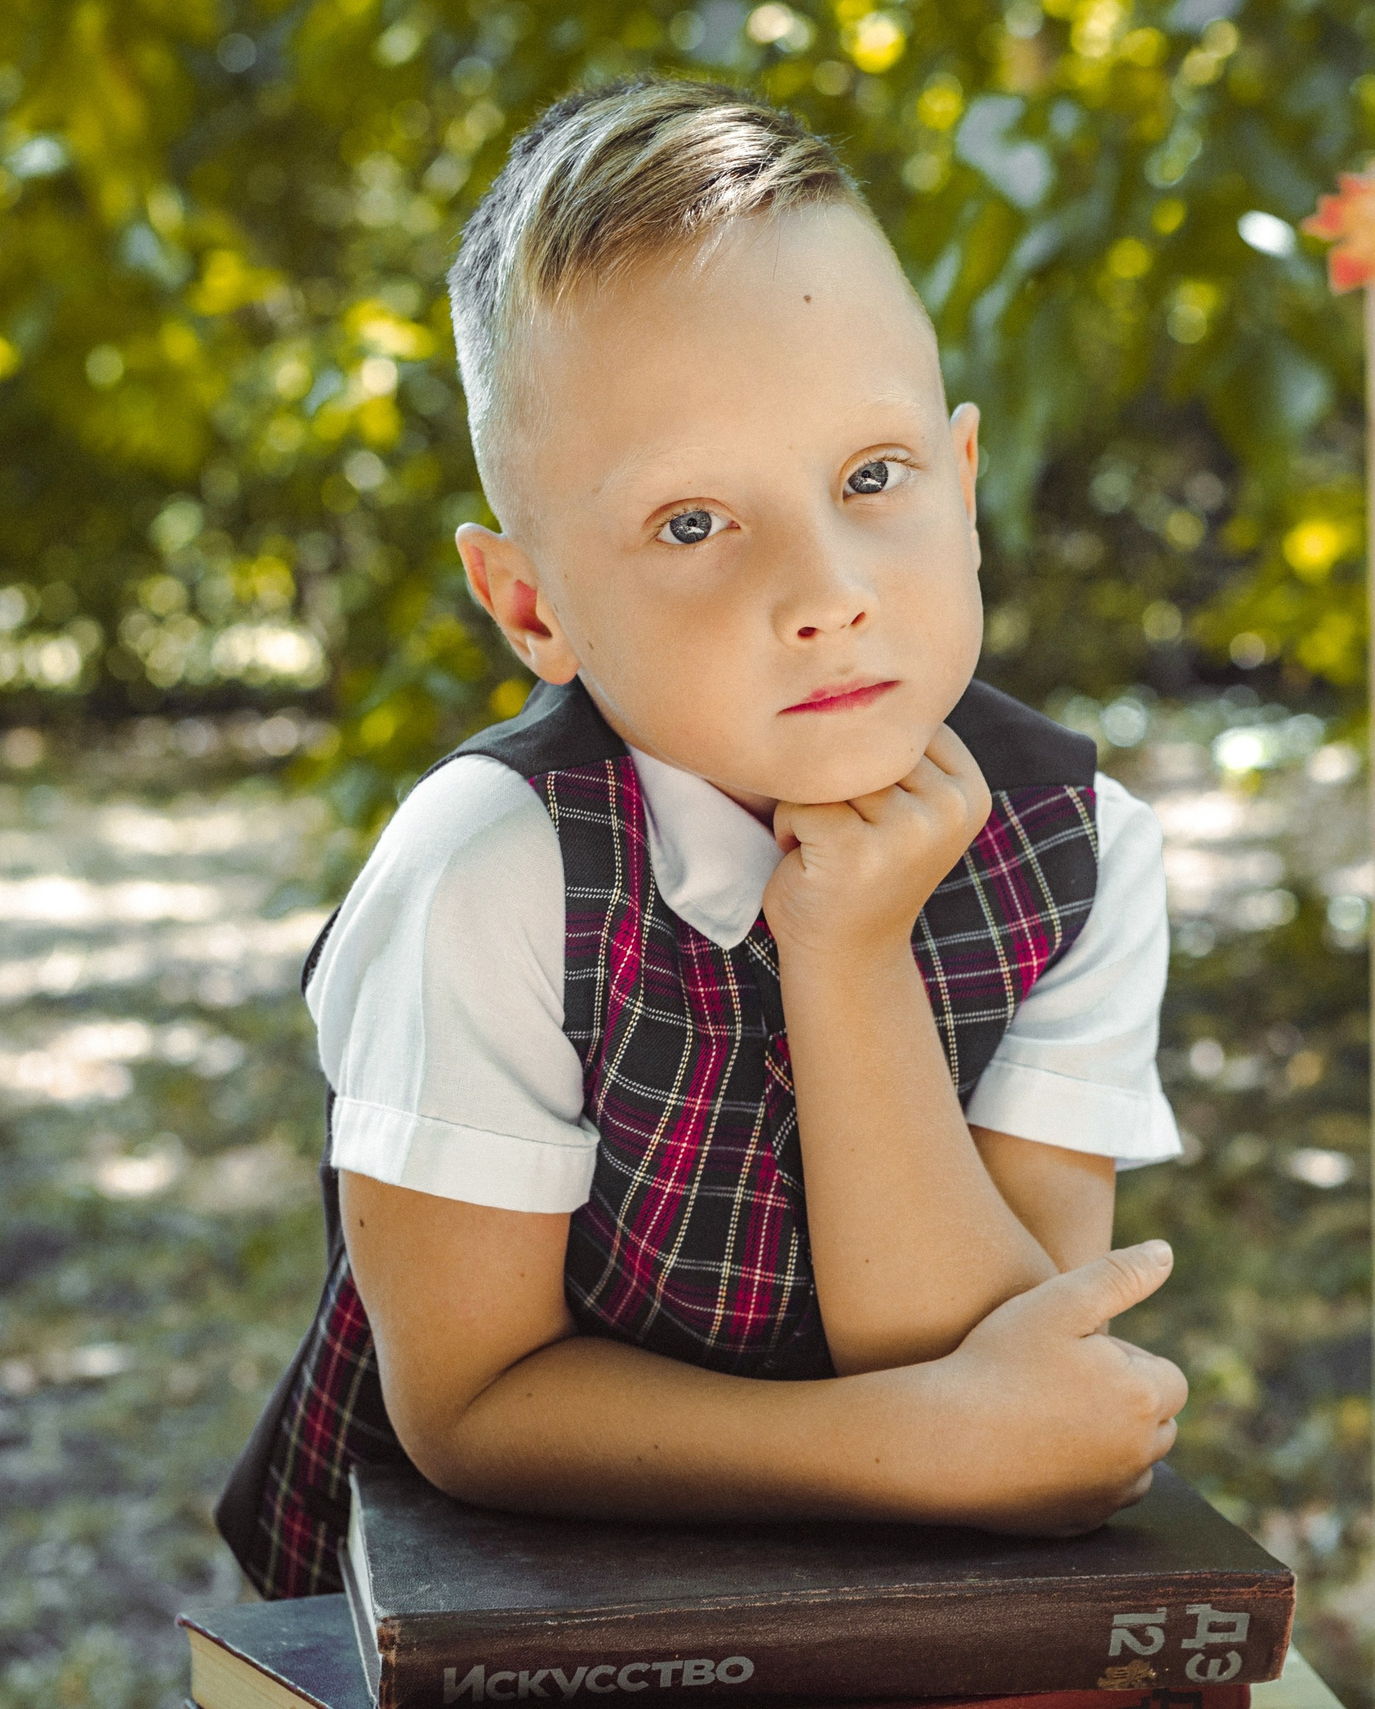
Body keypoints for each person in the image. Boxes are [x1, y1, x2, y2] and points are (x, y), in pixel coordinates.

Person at [214, 76, 1190, 1601]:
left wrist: (852, 955)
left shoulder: (1083, 850)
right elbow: (470, 1404)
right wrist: (907, 1446)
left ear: (964, 485)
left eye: (872, 477)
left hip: (905, 1625)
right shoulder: (491, 870)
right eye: (691, 523)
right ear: (531, 604)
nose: (827, 591)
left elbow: (1004, 1376)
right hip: (507, 1619)